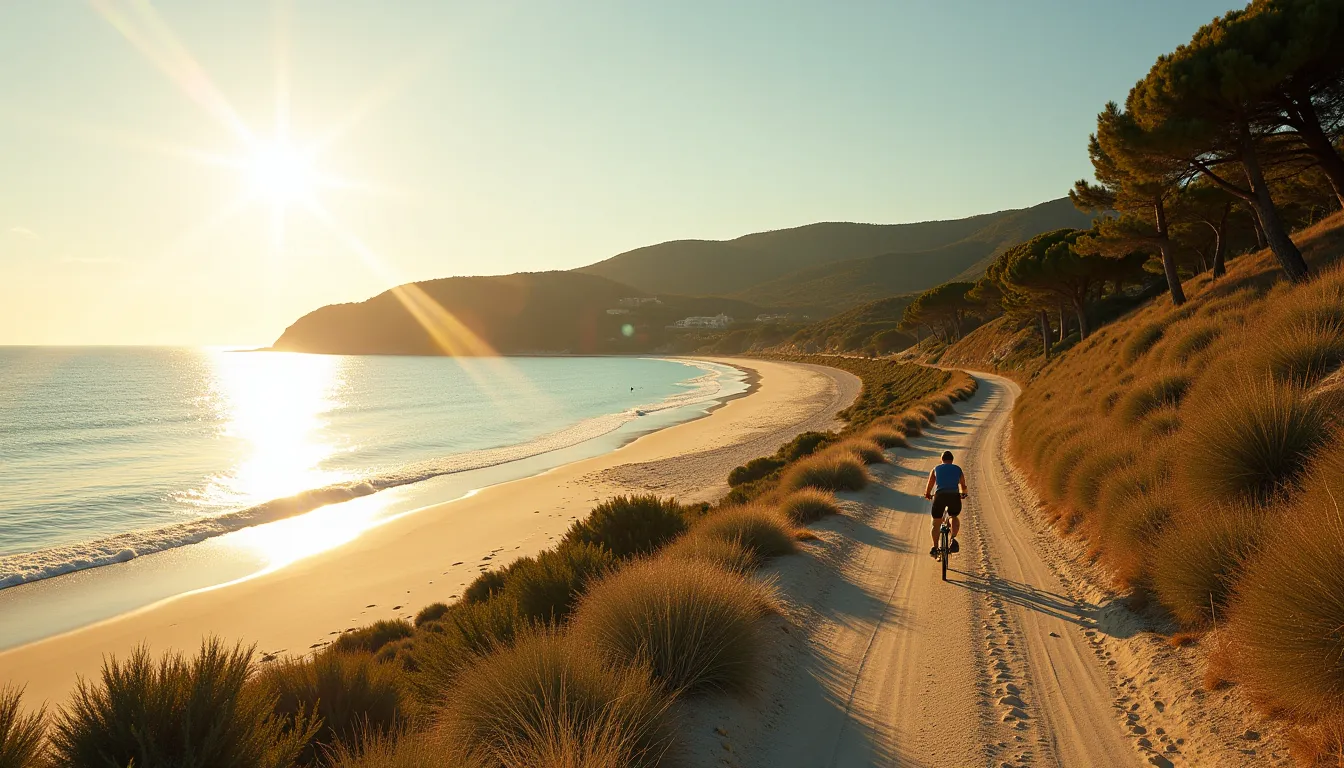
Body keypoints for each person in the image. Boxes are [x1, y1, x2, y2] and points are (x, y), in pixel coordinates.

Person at [923, 450, 967, 558]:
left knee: (936, 521)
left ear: (941, 460)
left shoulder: (936, 469)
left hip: (940, 496)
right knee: (953, 516)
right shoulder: (958, 469)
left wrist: (928, 494)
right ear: (952, 460)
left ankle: (934, 547)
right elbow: (963, 485)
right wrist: (964, 494)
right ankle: (952, 539)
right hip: (954, 496)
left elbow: (930, 485)